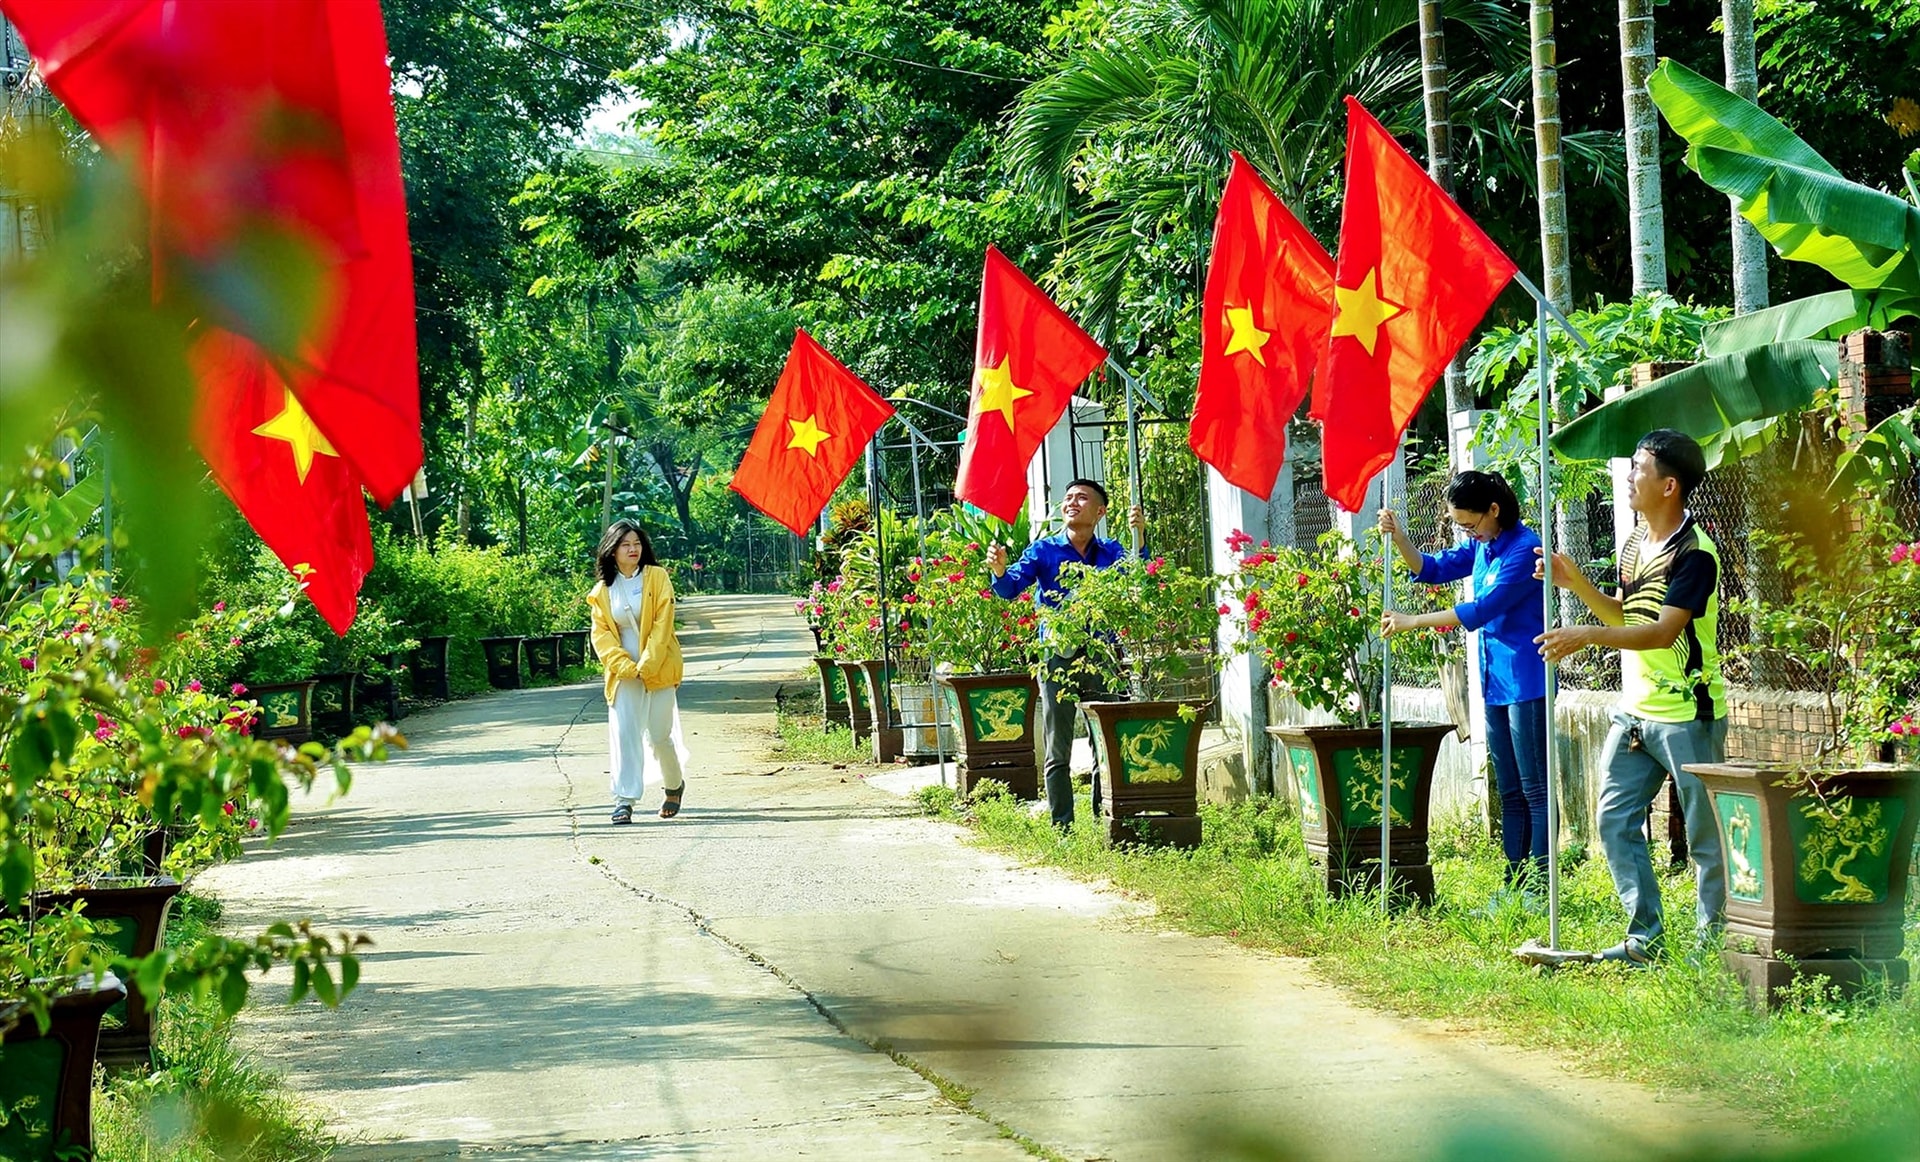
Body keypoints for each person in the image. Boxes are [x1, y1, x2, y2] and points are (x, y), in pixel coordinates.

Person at [1535, 430, 1727, 965]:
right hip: (1634, 712)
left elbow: (1663, 632)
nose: (1627, 476)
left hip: (1690, 714)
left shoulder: (1696, 554)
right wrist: (1576, 586)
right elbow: (1625, 617)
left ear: (1669, 485)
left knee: (1706, 840)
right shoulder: (1633, 544)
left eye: (1638, 468)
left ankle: (1710, 949)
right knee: (1614, 822)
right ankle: (1645, 938)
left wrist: (1586, 636)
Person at [1379, 470, 1548, 899]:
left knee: (1535, 790)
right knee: (1508, 790)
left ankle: (1541, 888)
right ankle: (1514, 884)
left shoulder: (1524, 551)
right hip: (1494, 683)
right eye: (1461, 527)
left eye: (1470, 524)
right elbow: (1432, 569)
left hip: (1527, 681)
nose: (1467, 533)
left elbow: (1481, 610)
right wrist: (1399, 537)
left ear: (1494, 510)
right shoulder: (1483, 546)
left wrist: (1413, 621)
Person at [986, 479, 1146, 830]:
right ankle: (1062, 826)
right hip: (1057, 655)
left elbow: (1137, 580)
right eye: (1068, 497)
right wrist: (999, 569)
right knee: (1057, 744)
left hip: (1102, 653)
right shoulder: (1044, 550)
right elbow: (1011, 587)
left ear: (1100, 511)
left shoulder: (1112, 551)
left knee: (1103, 738)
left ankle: (1105, 817)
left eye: (1082, 498)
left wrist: (1141, 539)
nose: (1072, 502)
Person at [587, 520, 690, 825]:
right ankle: (624, 800)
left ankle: (673, 785)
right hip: (624, 674)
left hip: (658, 666)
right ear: (612, 550)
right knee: (625, 732)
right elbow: (601, 635)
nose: (633, 550)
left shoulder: (656, 578)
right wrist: (624, 667)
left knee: (660, 735)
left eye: (637, 544)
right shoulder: (602, 591)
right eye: (625, 545)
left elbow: (662, 624)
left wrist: (647, 664)